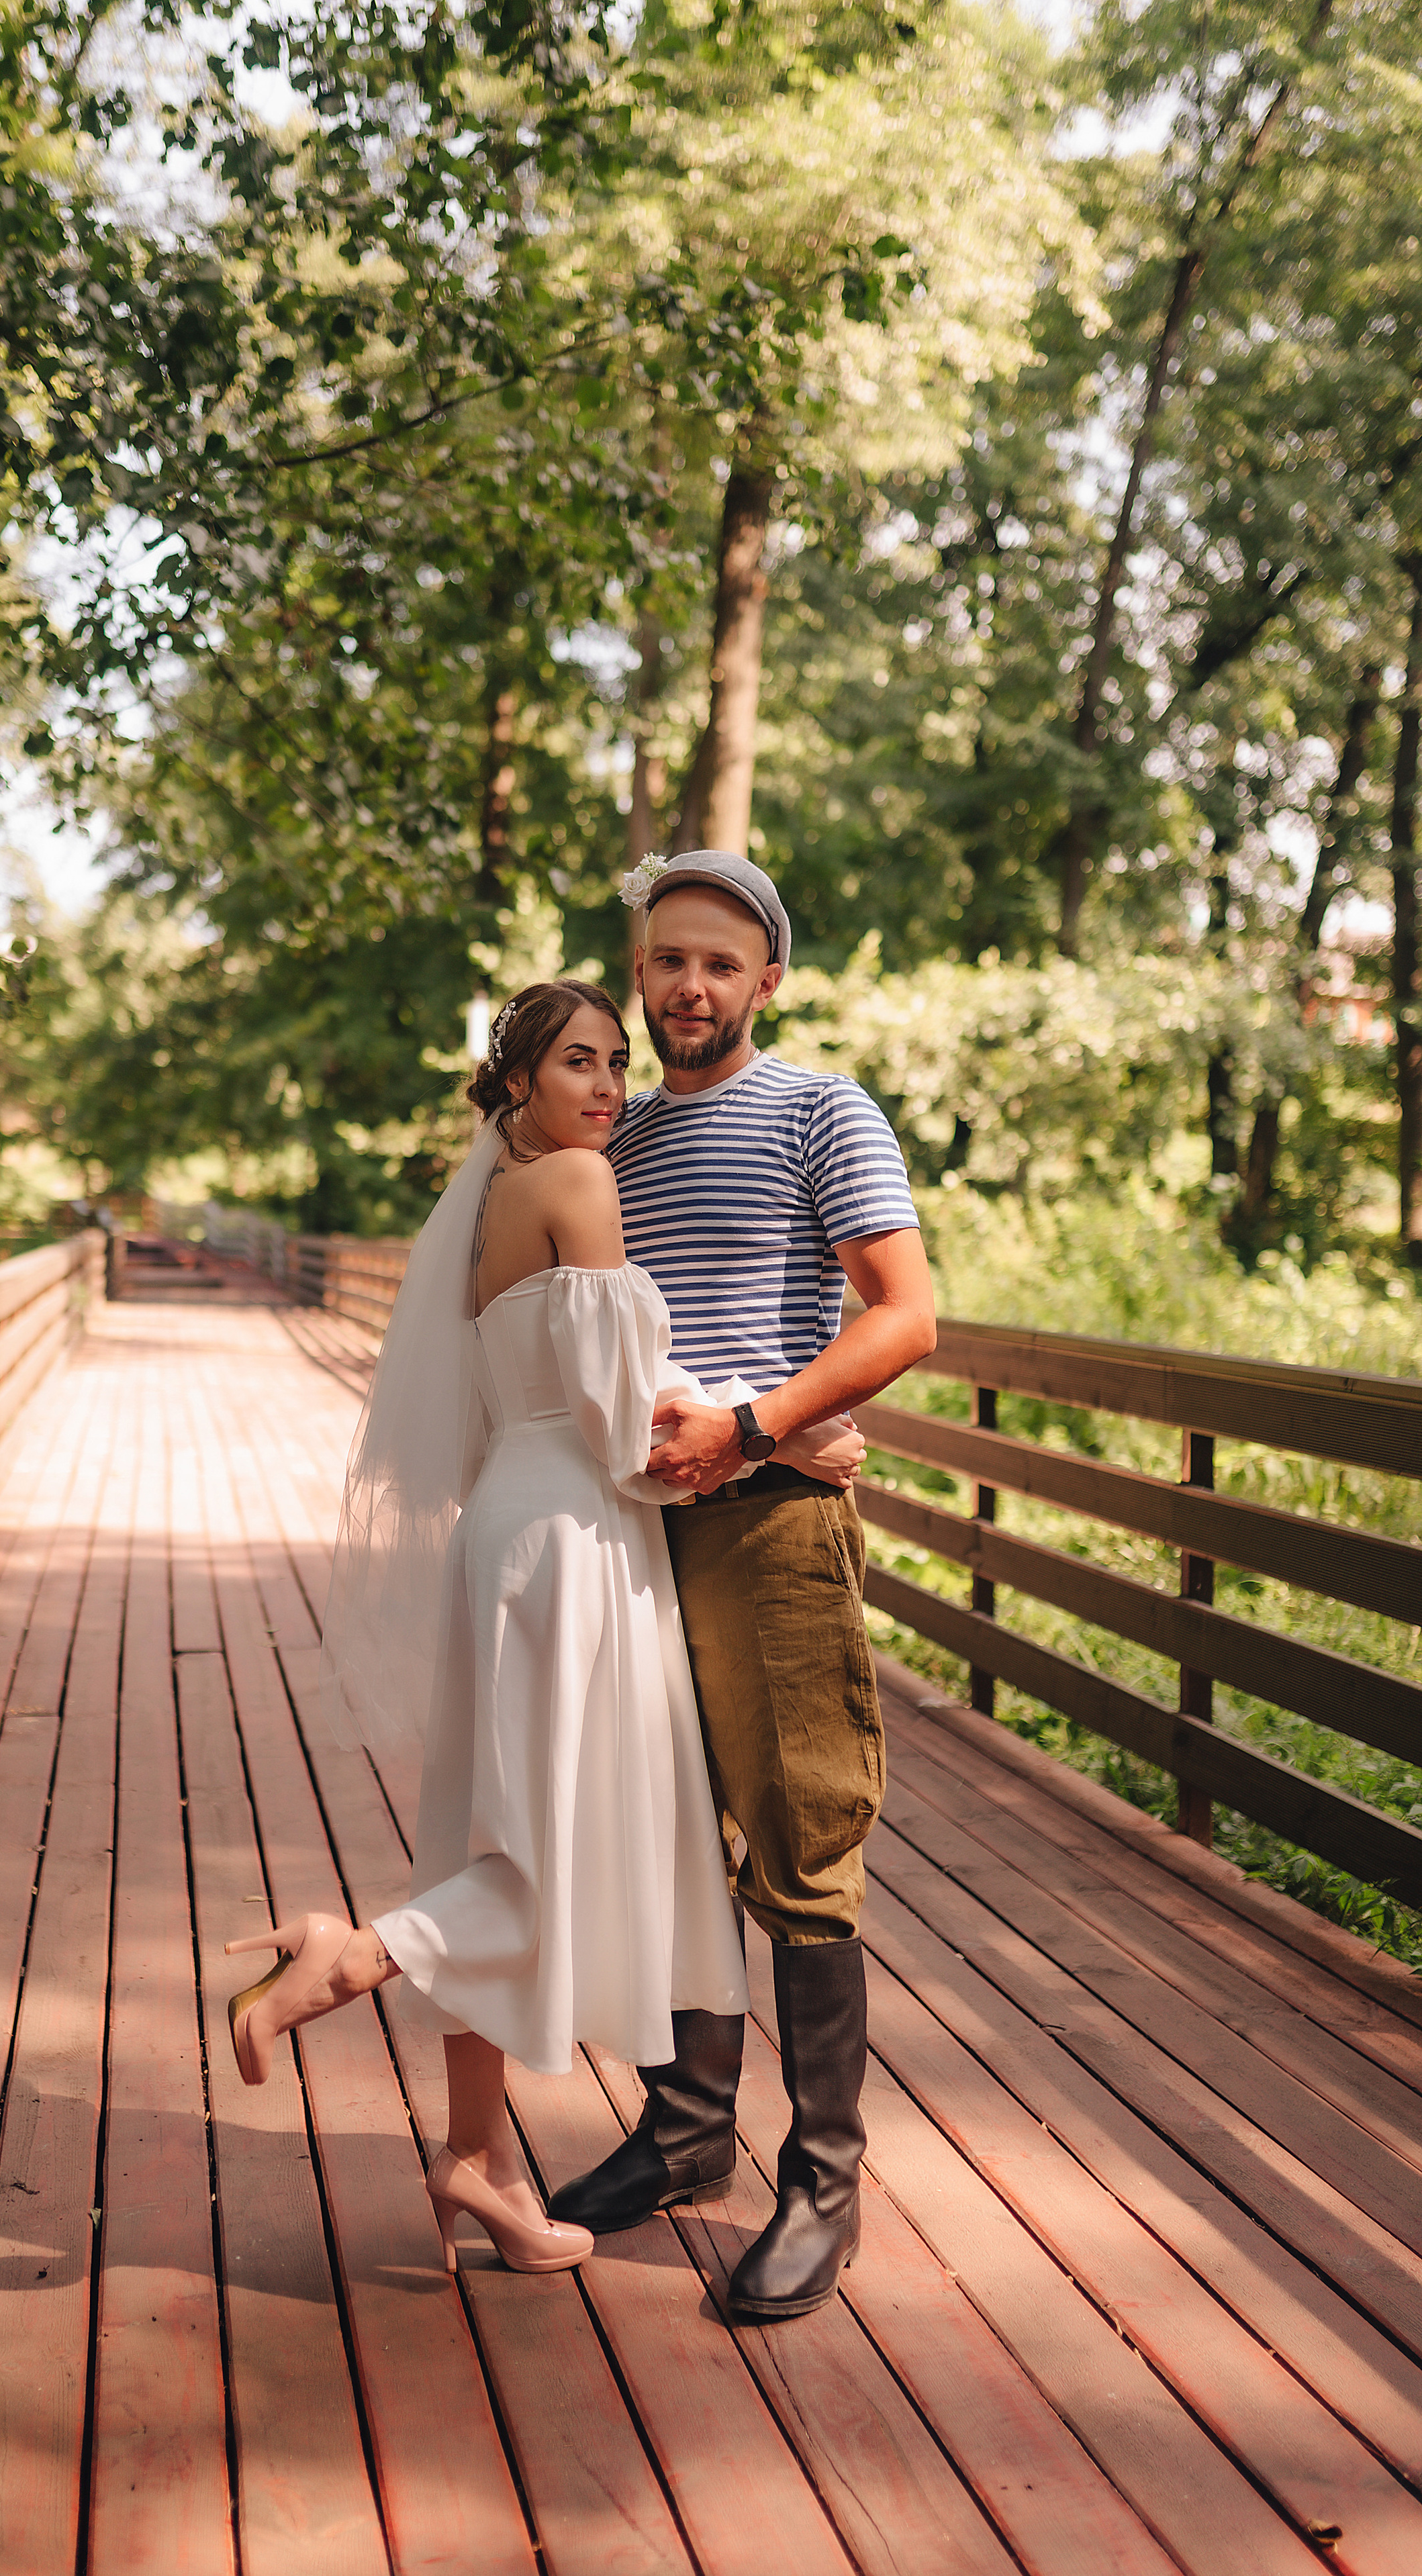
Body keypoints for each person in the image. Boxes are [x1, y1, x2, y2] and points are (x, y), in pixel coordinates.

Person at [221, 978, 864, 2280]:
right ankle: (347, 1954)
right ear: (514, 1079)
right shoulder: (578, 1187)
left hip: (506, 1523)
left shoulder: (480, 1212)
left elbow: (509, 1409)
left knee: (495, 1822)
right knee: (559, 1848)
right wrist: (788, 1431)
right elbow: (631, 1425)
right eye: (577, 1062)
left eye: (616, 1066)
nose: (606, 1089)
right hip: (576, 1536)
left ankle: (478, 2159)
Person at [548, 850, 936, 2326]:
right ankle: (687, 2129)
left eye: (718, 962)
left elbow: (907, 1315)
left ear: (765, 978)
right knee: (667, 1836)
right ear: (637, 973)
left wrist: (761, 1423)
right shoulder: (615, 1135)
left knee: (800, 1841)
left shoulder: (819, 1107)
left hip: (766, 1518)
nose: (687, 987)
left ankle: (823, 2177)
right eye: (665, 962)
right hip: (634, 1529)